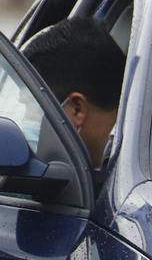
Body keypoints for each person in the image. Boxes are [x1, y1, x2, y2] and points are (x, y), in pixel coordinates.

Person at [21, 18, 128, 169]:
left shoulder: (130, 180)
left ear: (77, 109)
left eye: (32, 110)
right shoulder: (151, 159)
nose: (25, 121)